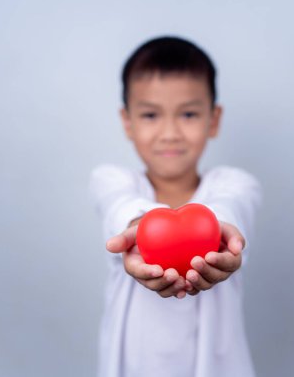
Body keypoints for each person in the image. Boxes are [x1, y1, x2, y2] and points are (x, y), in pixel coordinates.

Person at [89, 36, 262, 377]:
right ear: (128, 122)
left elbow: (231, 207)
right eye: (151, 115)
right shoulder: (111, 179)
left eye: (188, 114)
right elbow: (118, 206)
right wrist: (139, 226)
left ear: (214, 119)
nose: (170, 133)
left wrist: (219, 233)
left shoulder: (235, 183)